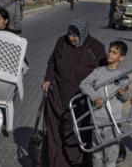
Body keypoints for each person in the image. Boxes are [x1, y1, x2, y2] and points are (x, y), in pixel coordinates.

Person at [42, 20, 106, 167]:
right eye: (70, 35)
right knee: (55, 134)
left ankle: (76, 163)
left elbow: (103, 72)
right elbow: (52, 62)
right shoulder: (61, 42)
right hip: (57, 95)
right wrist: (48, 79)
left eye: (75, 35)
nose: (72, 38)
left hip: (80, 100)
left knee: (75, 133)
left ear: (83, 33)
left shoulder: (96, 47)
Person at [79, 41, 132, 167]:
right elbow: (84, 84)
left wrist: (122, 93)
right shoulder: (98, 72)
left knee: (111, 154)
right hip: (97, 119)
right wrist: (94, 97)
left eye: (114, 53)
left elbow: (126, 97)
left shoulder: (123, 76)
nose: (110, 54)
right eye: (110, 51)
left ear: (121, 57)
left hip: (113, 121)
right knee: (97, 154)